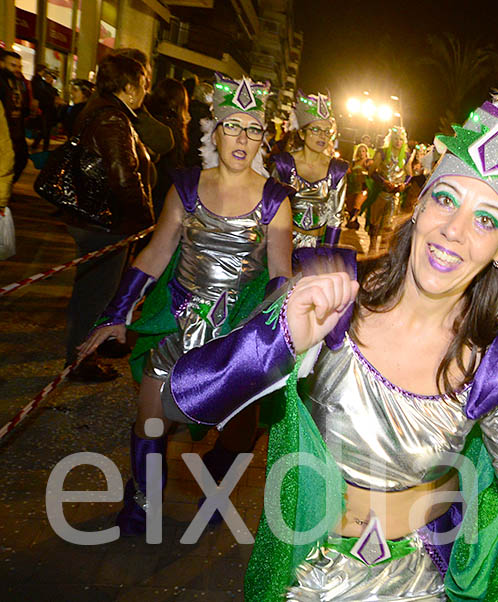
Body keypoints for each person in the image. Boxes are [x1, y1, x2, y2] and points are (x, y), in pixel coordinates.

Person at [157, 84, 498, 601]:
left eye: (485, 220)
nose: (454, 231)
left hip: (415, 582)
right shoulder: (331, 301)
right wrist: (274, 340)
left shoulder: (496, 365)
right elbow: (181, 400)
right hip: (302, 571)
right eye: (445, 200)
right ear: (419, 206)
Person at [77, 73, 293, 536]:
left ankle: (215, 490)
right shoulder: (187, 187)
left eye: (253, 129)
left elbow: (280, 276)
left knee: (237, 433)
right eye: (232, 126)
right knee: (149, 420)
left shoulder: (276, 201)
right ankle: (142, 504)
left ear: (263, 139)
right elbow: (156, 252)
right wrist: (119, 313)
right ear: (214, 132)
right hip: (178, 321)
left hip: (238, 334)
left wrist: (274, 340)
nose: (242, 138)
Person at [61, 53, 155, 382]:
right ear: (128, 88)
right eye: (142, 85)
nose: (145, 92)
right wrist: (146, 221)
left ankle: (100, 341)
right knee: (94, 294)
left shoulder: (104, 109)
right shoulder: (112, 118)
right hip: (104, 222)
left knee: (100, 289)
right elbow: (123, 177)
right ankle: (81, 359)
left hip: (99, 219)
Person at [268, 90, 349, 251]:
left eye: (327, 131)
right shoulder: (283, 165)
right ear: (302, 134)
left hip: (316, 249)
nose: (323, 136)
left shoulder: (337, 170)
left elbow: (335, 217)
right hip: (282, 245)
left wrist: (327, 255)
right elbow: (270, 209)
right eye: (316, 130)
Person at [145, 78, 190, 218]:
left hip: (148, 186)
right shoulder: (172, 126)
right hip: (162, 190)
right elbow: (175, 163)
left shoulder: (148, 119)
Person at [366, 125, 409, 247]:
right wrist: (383, 182)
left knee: (389, 226)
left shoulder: (406, 156)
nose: (398, 142)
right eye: (396, 138)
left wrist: (404, 185)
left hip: (395, 196)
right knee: (374, 223)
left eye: (400, 139)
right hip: (380, 193)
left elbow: (409, 174)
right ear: (391, 139)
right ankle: (372, 248)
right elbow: (371, 172)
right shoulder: (382, 153)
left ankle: (381, 252)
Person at [0, 50, 31, 183]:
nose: (17, 69)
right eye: (13, 65)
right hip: (4, 131)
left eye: (19, 66)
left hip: (17, 129)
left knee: (20, 159)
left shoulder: (19, 82)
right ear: (2, 64)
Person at [30, 65, 62, 152]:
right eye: (47, 77)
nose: (49, 79)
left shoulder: (53, 89)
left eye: (50, 77)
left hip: (51, 112)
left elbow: (57, 99)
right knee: (45, 131)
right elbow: (36, 83)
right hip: (44, 111)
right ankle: (44, 148)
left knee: (44, 130)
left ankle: (36, 145)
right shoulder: (41, 85)